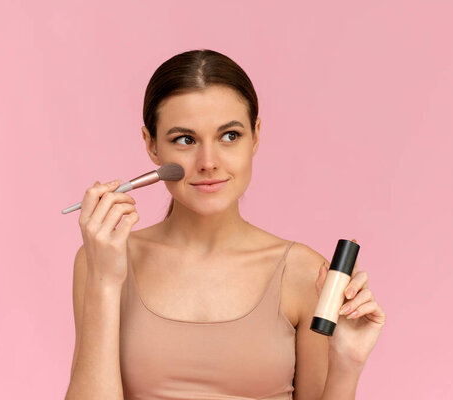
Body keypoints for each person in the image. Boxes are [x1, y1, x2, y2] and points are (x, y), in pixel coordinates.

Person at [64, 49, 385, 400]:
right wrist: (104, 281)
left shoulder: (305, 273)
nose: (208, 162)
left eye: (229, 135)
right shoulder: (103, 260)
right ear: (152, 145)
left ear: (256, 135)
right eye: (184, 140)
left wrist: (347, 366)